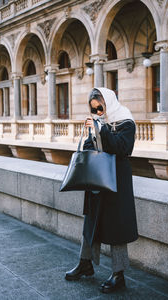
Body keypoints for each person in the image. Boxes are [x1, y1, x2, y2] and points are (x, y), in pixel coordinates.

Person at [65, 87, 138, 293]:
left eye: (99, 107)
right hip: (97, 181)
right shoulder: (100, 122)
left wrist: (102, 130)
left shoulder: (126, 121)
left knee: (117, 228)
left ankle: (119, 274)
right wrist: (93, 133)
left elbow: (123, 148)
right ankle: (85, 263)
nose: (97, 112)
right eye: (93, 109)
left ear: (108, 102)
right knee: (91, 221)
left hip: (117, 183)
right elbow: (90, 146)